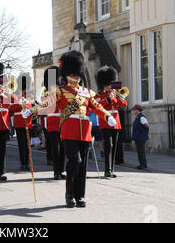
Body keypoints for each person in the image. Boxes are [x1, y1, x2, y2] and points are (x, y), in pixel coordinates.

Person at [23, 51, 116, 208]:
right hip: (69, 130)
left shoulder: (87, 93)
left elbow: (97, 106)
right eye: (73, 74)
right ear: (67, 74)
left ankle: (80, 196)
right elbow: (47, 102)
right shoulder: (61, 91)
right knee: (75, 160)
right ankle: (69, 193)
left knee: (83, 165)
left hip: (85, 130)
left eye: (77, 74)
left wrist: (107, 116)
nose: (76, 77)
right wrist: (32, 110)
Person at [95, 66, 128, 178]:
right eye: (109, 84)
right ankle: (107, 170)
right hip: (105, 121)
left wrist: (117, 96)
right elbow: (98, 106)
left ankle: (112, 169)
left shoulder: (115, 93)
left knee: (115, 146)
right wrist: (109, 98)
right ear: (103, 84)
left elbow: (124, 104)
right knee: (108, 144)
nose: (111, 85)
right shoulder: (99, 95)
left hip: (116, 122)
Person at [11, 73, 33, 171]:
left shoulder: (29, 95)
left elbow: (32, 107)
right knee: (21, 144)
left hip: (28, 122)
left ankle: (27, 162)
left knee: (28, 144)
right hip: (19, 122)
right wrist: (19, 104)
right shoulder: (15, 95)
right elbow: (10, 108)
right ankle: (23, 163)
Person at [132, 104, 149, 170]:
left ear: (137, 110)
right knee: (139, 151)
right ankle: (142, 164)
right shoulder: (138, 117)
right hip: (138, 137)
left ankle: (143, 164)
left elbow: (147, 125)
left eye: (134, 110)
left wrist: (143, 132)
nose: (133, 111)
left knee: (141, 151)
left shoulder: (141, 117)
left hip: (141, 137)